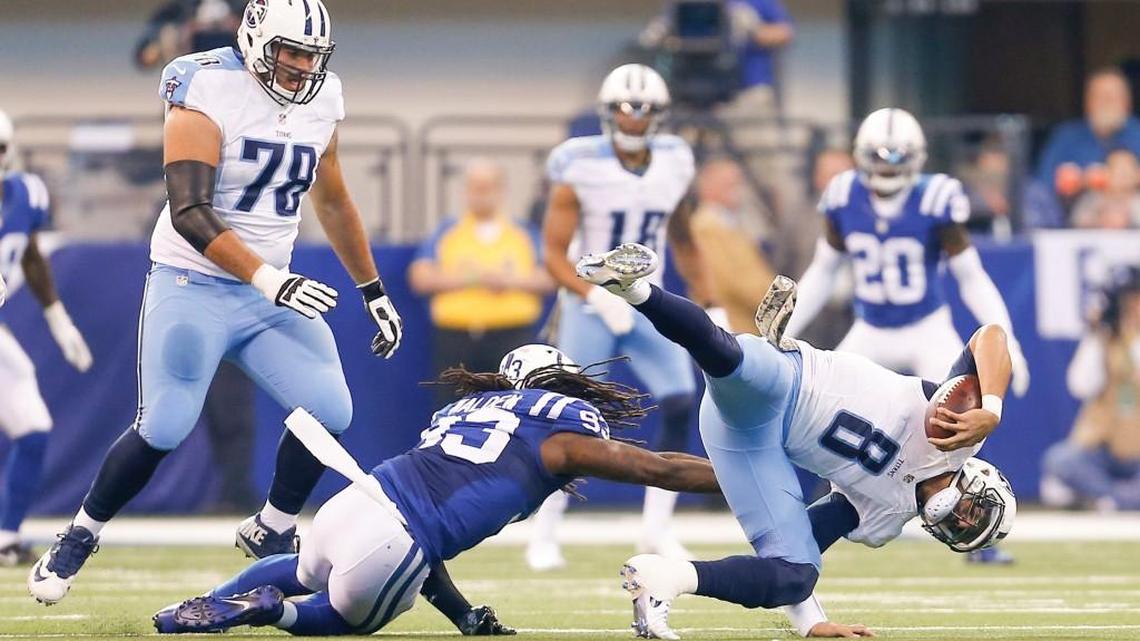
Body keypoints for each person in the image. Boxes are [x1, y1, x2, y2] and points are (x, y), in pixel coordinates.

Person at [28, 0, 404, 604]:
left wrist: (373, 289)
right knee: (164, 425)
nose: (303, 67)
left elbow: (333, 200)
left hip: (267, 290)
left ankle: (272, 526)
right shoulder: (204, 83)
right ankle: (80, 534)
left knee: (330, 410)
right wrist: (268, 280)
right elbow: (189, 211)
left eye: (313, 56)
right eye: (291, 52)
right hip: (193, 283)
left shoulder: (323, 98)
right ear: (254, 41)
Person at [577, 242, 1017, 639]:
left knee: (794, 575)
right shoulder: (957, 434)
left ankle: (666, 577)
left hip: (751, 444)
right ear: (981, 480)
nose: (961, 520)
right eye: (976, 513)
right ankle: (634, 288)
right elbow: (990, 336)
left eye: (965, 532)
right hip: (794, 380)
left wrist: (811, 622)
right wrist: (992, 410)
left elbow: (801, 541)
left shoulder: (885, 518)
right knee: (727, 356)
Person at [150, 344, 720, 635]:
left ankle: (188, 609)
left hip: (353, 501)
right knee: (347, 620)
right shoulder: (560, 433)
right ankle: (270, 614)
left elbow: (423, 547)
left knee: (304, 570)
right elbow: (660, 469)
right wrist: (737, 476)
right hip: (395, 542)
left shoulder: (468, 410)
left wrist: (464, 616)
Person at [534, 63, 698, 570]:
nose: (634, 118)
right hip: (590, 303)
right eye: (625, 108)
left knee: (680, 400)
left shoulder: (675, 162)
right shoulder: (579, 164)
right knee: (569, 413)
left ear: (659, 114)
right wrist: (595, 292)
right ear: (608, 113)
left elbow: (684, 236)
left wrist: (708, 299)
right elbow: (553, 253)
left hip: (649, 298)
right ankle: (545, 529)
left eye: (644, 109)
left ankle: (656, 529)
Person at [784, 109, 1030, 398]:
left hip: (926, 328)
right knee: (826, 402)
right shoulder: (844, 195)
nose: (888, 166)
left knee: (954, 408)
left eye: (898, 157)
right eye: (878, 156)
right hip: (870, 329)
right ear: (861, 155)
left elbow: (971, 278)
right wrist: (784, 331)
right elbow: (823, 271)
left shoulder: (934, 198)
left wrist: (1009, 341)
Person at [0, 109, 94, 566]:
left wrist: (58, 319)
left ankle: (5, 538)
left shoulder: (27, 193)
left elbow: (31, 256)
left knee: (33, 426)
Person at [408, 159, 553, 405]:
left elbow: (548, 277)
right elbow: (420, 277)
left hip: (511, 337)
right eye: (475, 188)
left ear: (501, 190)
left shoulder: (524, 232)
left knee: (513, 406)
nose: (481, 196)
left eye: (487, 188)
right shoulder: (448, 231)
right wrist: (472, 279)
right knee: (453, 408)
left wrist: (508, 281)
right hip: (457, 339)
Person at [1040, 267, 1140, 511]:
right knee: (1061, 460)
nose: (1134, 308)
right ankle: (1115, 497)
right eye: (1128, 301)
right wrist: (1097, 335)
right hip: (1104, 450)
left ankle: (1113, 500)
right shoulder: (1104, 338)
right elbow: (1080, 386)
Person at [669, 158, 774, 333]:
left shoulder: (728, 224)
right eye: (730, 185)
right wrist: (772, 304)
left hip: (749, 323)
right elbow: (729, 281)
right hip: (733, 325)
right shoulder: (706, 228)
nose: (738, 191)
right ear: (708, 188)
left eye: (738, 184)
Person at [1036, 68, 1140, 191]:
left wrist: (1131, 177)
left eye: (1113, 97)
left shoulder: (1137, 132)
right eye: (1101, 96)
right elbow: (1043, 184)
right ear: (1087, 102)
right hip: (1079, 202)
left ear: (1127, 102)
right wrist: (1081, 181)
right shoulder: (1066, 135)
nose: (1107, 103)